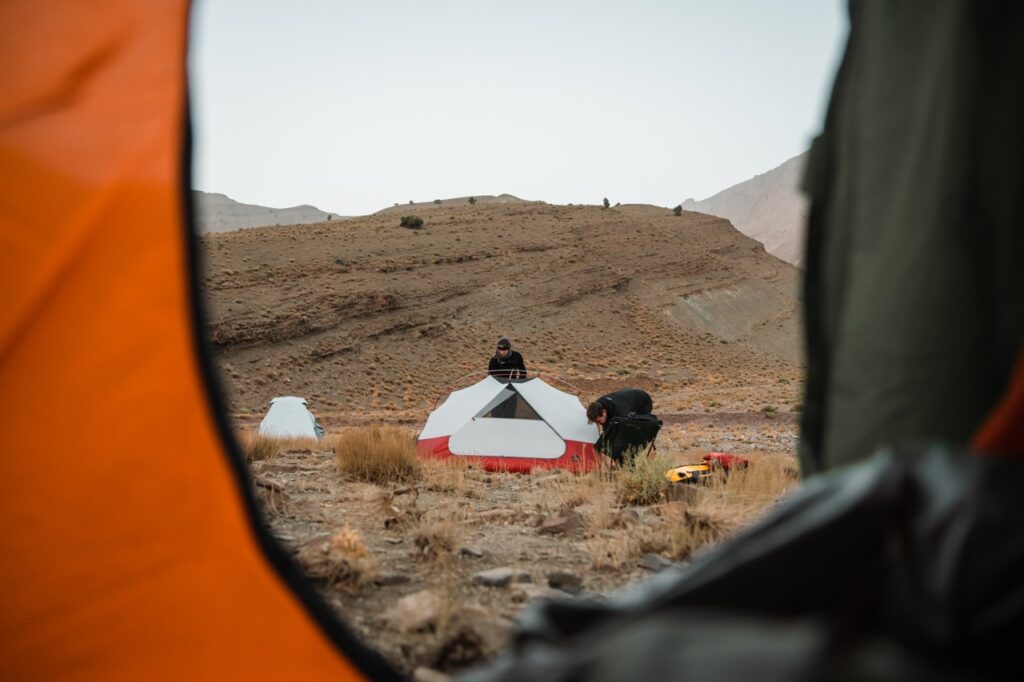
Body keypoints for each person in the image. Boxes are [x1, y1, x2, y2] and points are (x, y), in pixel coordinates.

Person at [587, 388, 658, 465]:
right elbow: (607, 432)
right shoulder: (598, 405)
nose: (599, 424)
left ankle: (633, 460)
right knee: (609, 436)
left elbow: (621, 435)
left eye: (599, 421)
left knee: (629, 434)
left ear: (604, 412)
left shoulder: (620, 411)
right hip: (626, 401)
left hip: (643, 403)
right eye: (596, 422)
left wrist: (617, 455)